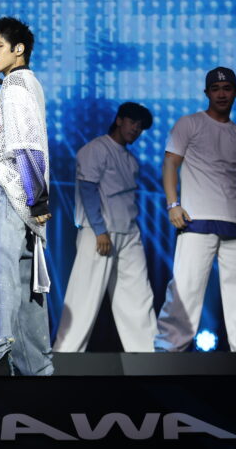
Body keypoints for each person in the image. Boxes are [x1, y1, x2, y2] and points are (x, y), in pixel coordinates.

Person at [155, 67, 236, 352]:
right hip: (196, 218)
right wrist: (173, 204)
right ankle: (168, 347)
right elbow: (170, 163)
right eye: (216, 89)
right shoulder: (189, 124)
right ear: (206, 92)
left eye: (227, 88)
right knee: (186, 287)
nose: (221, 94)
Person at [0, 16, 53, 375]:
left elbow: (24, 145)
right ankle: (37, 369)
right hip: (22, 199)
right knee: (25, 286)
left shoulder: (15, 87)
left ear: (19, 49)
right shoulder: (23, 84)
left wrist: (38, 198)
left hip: (6, 194)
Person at [54, 102, 158, 352]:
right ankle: (66, 353)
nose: (135, 129)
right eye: (132, 122)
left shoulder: (131, 160)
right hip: (99, 232)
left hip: (129, 232)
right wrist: (100, 230)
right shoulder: (95, 149)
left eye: (140, 126)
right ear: (119, 120)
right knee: (85, 294)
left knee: (138, 294)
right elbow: (88, 191)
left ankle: (147, 353)